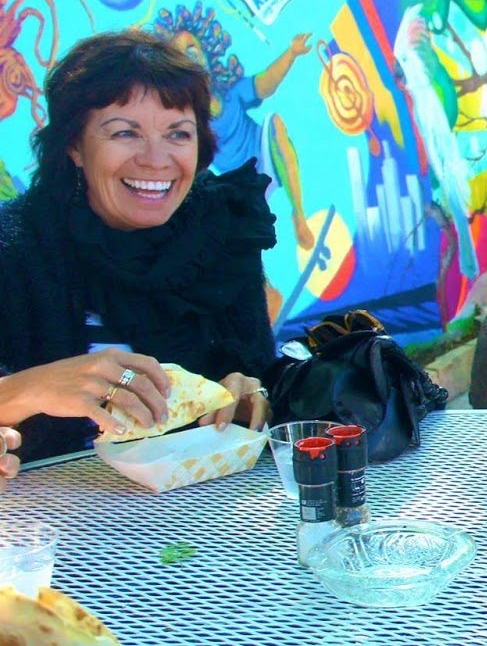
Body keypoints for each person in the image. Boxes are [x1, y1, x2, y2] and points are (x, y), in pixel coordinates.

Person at [0, 30, 278, 464]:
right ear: (74, 145)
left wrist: (251, 392)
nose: (156, 159)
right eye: (125, 133)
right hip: (47, 520)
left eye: (178, 134)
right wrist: (28, 389)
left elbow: (262, 373)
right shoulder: (14, 245)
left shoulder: (222, 233)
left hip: (199, 509)